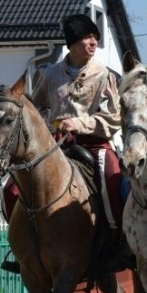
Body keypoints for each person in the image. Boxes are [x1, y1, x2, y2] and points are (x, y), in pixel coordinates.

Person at [30, 13, 124, 258]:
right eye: (87, 37)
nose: (93, 42)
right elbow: (34, 108)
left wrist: (78, 123)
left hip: (94, 144)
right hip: (54, 146)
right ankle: (25, 244)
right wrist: (46, 128)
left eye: (95, 37)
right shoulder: (50, 75)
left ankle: (118, 241)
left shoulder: (105, 75)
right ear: (71, 44)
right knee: (14, 187)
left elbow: (114, 117)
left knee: (114, 179)